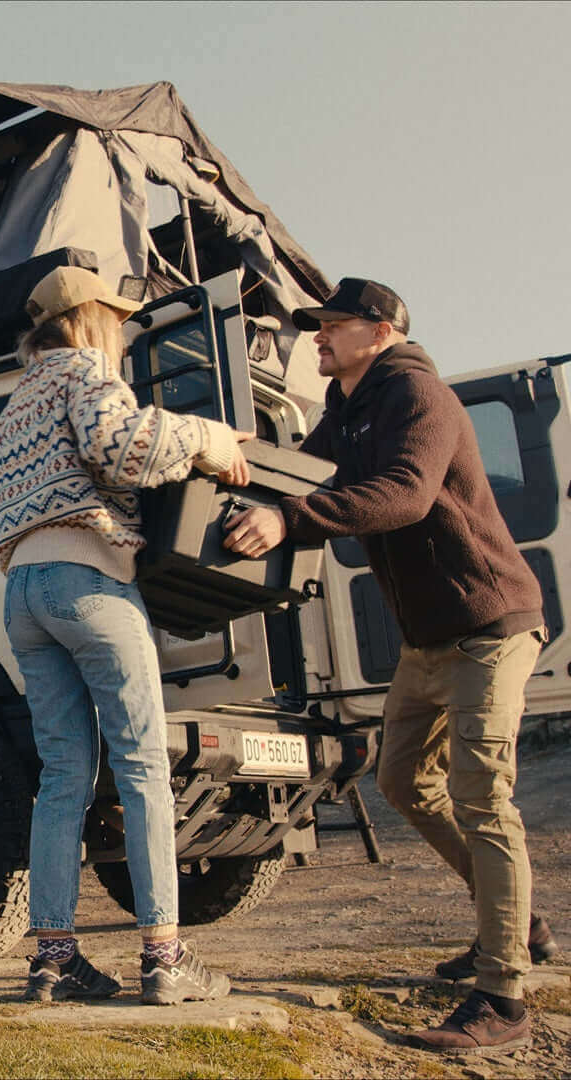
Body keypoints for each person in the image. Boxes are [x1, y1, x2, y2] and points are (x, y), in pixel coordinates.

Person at [222, 277, 557, 1052]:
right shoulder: (349, 410)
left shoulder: (419, 396)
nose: (317, 338)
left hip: (490, 624)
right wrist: (236, 461)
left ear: (379, 330)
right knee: (404, 778)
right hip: (430, 639)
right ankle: (513, 921)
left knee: (481, 794)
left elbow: (404, 496)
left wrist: (289, 519)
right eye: (318, 328)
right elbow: (297, 474)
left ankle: (503, 998)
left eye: (332, 326)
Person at [0, 265, 253, 1005]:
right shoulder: (86, 370)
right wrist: (211, 437)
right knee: (142, 768)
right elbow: (126, 445)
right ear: (91, 320)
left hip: (23, 594)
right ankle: (165, 958)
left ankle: (53, 960)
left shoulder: (15, 404)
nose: (126, 333)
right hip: (89, 581)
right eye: (120, 320)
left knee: (63, 777)